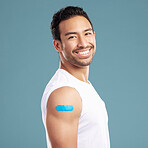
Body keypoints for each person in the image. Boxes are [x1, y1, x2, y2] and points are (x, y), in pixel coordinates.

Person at [41, 6, 110, 148]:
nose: (83, 43)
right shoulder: (65, 95)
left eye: (87, 34)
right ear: (57, 45)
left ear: (94, 35)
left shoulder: (80, 85)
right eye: (72, 37)